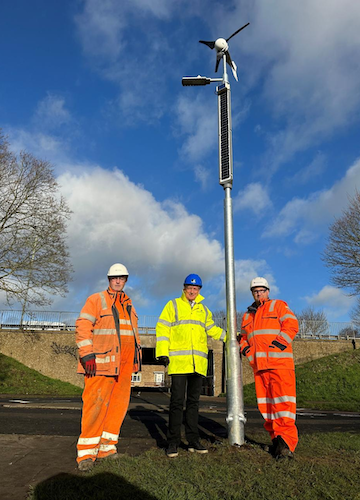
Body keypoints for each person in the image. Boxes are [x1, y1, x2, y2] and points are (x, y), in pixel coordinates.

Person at [75, 263, 141, 471]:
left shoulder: (129, 305)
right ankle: (86, 454)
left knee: (117, 409)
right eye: (114, 278)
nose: (118, 281)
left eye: (121, 278)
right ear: (109, 279)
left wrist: (136, 361)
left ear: (126, 280)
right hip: (99, 366)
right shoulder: (96, 300)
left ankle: (107, 448)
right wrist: (86, 354)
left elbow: (133, 337)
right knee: (94, 406)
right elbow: (83, 326)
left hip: (123, 368)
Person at [156, 274, 226, 458]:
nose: (192, 291)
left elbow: (212, 329)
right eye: (190, 288)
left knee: (194, 404)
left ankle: (193, 440)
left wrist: (229, 337)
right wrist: (162, 351)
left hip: (198, 364)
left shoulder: (204, 310)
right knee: (177, 403)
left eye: (196, 289)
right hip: (179, 364)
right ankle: (173, 442)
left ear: (199, 290)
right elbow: (163, 328)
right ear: (184, 288)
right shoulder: (172, 305)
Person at [239, 277, 299, 459]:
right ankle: (276, 442)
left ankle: (286, 445)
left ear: (268, 291)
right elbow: (243, 338)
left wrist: (278, 345)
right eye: (255, 291)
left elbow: (292, 325)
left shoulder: (278, 306)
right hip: (260, 368)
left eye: (262, 290)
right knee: (267, 408)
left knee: (284, 406)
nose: (259, 293)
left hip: (280, 366)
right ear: (252, 293)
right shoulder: (247, 315)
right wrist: (247, 350)